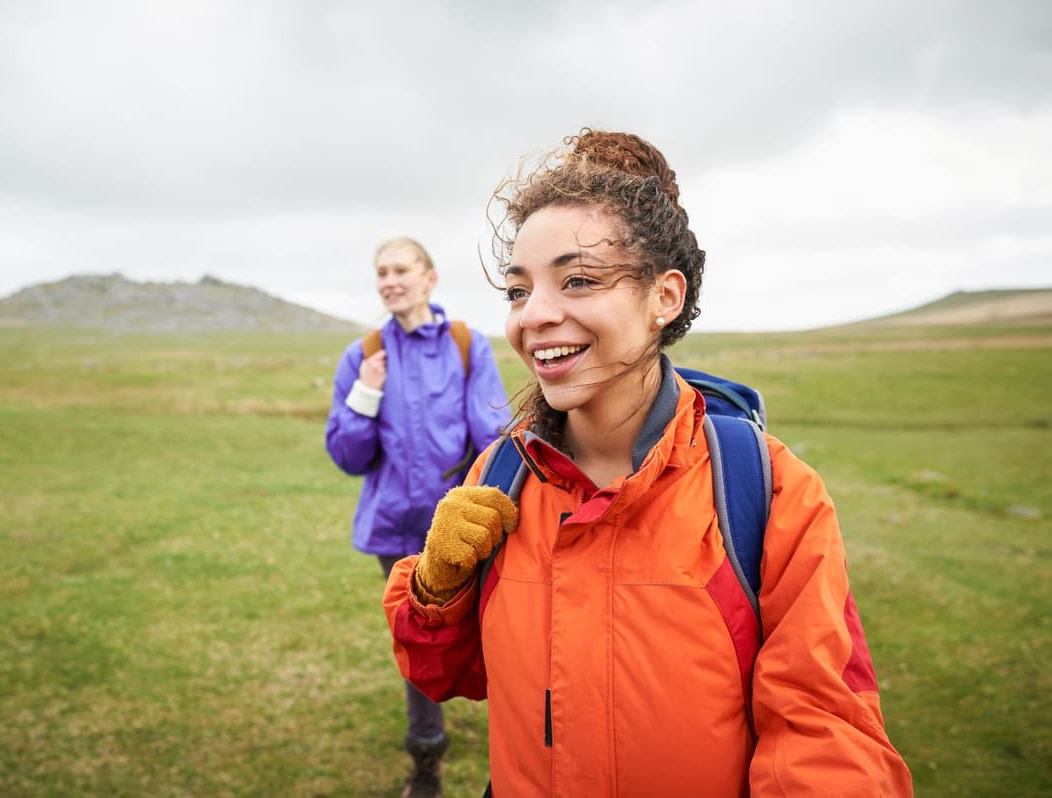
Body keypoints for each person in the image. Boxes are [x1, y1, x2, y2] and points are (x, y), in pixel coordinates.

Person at [382, 131, 913, 796]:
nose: (535, 315)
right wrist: (437, 591)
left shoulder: (766, 490)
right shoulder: (500, 477)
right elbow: (448, 675)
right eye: (519, 291)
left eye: (578, 280)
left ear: (664, 297)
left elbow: (827, 732)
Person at [325, 235, 510, 797]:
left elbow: (489, 438)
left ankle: (523, 746)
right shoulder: (363, 356)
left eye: (401, 269)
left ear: (429, 279)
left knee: (501, 634)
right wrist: (365, 394)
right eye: (381, 272)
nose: (389, 280)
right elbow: (348, 455)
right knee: (422, 640)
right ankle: (426, 763)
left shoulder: (466, 346)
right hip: (397, 532)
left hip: (464, 529)